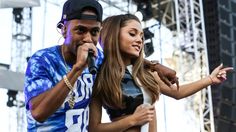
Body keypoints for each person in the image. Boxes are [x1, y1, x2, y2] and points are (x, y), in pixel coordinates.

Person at [24, 0, 178, 131]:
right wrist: (77, 69)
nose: (88, 38)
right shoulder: (43, 59)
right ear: (64, 30)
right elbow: (39, 113)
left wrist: (155, 66)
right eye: (80, 30)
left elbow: (119, 58)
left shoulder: (97, 58)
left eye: (94, 32)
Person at [88, 14, 233, 132]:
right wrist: (132, 120)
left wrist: (210, 79)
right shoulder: (99, 75)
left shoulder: (145, 72)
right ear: (113, 36)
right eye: (132, 34)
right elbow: (94, 128)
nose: (139, 40)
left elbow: (178, 92)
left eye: (142, 36)